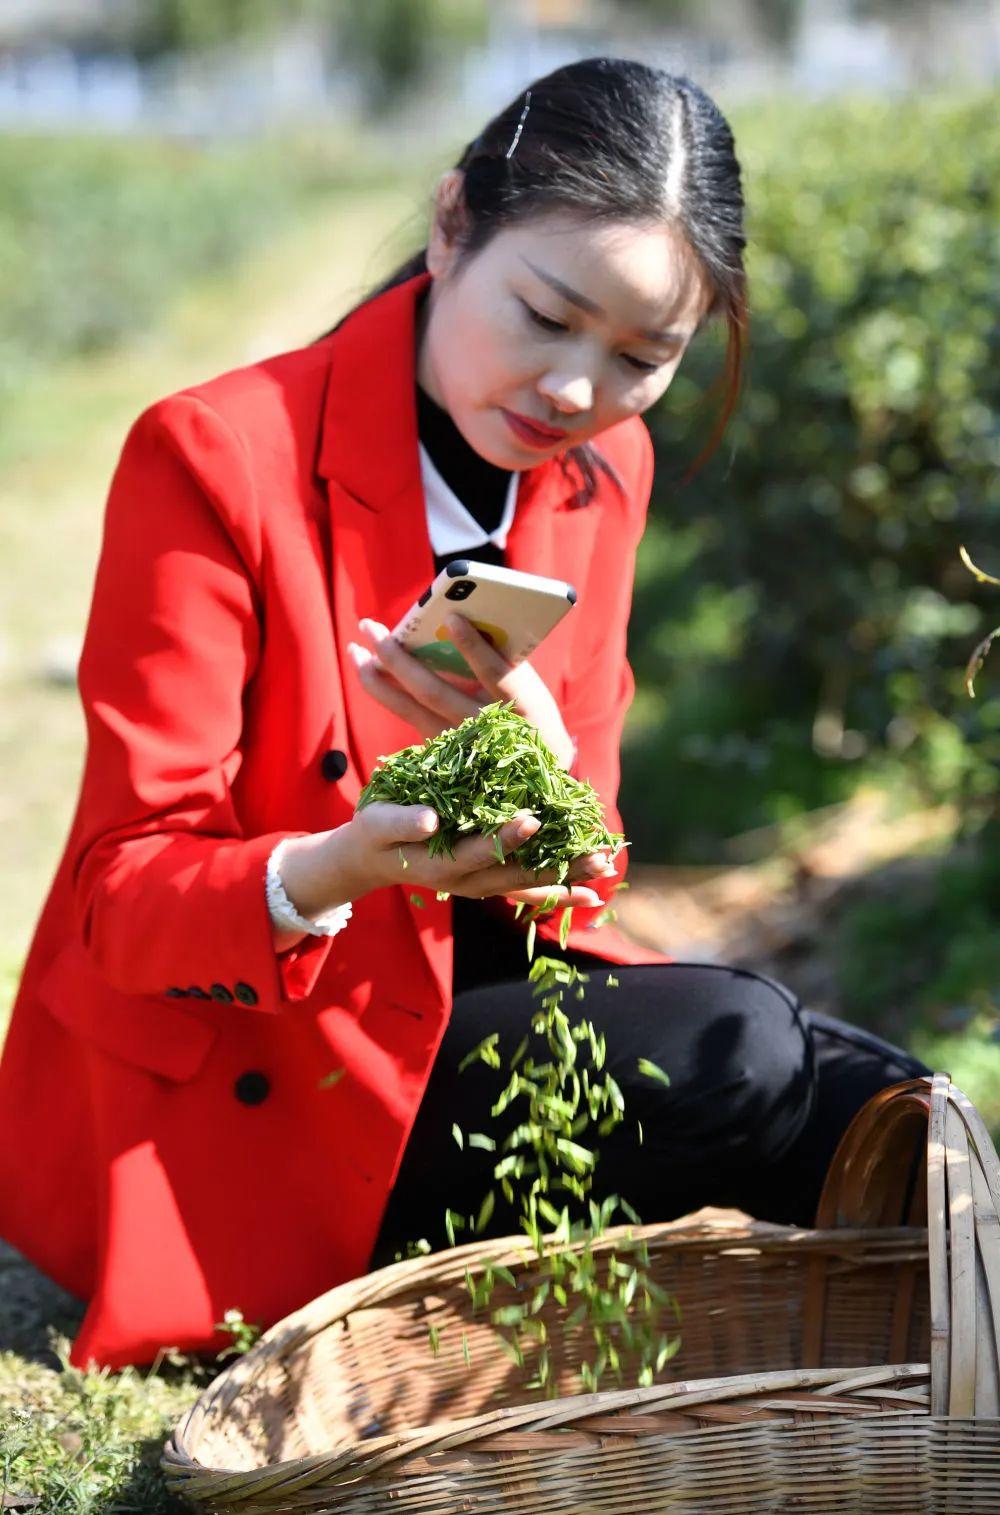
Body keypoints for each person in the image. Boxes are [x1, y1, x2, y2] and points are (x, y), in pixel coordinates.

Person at [0, 58, 928, 1371]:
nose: (574, 391)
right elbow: (123, 900)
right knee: (746, 1049)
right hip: (255, 1088)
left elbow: (582, 880)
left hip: (444, 1012)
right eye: (547, 315)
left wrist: (544, 764)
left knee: (890, 1100)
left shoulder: (602, 476)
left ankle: (908, 1358)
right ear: (450, 226)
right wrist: (335, 865)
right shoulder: (221, 456)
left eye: (641, 358)